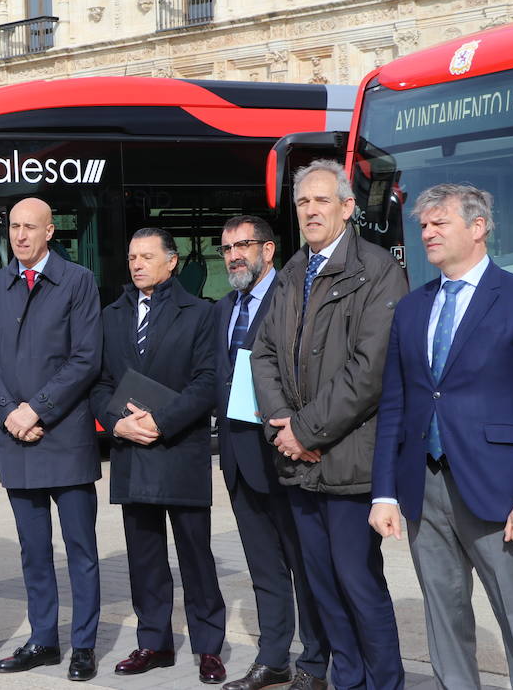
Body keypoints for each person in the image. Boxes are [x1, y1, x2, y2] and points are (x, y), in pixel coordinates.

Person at [371, 184, 513, 690]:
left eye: (440, 223)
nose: (427, 233)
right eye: (423, 225)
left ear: (478, 227)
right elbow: (394, 405)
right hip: (424, 488)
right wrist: (384, 492)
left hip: (500, 492)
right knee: (443, 617)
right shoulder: (412, 308)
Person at [252, 160, 407, 690]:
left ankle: (384, 683)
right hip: (299, 463)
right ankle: (349, 680)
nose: (311, 210)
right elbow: (263, 355)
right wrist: (284, 428)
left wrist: (305, 431)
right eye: (303, 202)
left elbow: (370, 371)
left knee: (357, 583)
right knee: (321, 585)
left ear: (347, 207)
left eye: (322, 200)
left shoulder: (377, 269)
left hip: (349, 460)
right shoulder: (292, 272)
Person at [0, 197, 102, 682]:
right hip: (17, 438)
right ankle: (44, 639)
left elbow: (86, 358)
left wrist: (36, 409)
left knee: (80, 549)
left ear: (50, 231)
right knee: (33, 550)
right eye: (14, 227)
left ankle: (83, 645)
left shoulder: (78, 281)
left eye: (30, 227)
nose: (20, 235)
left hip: (64, 435)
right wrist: (10, 413)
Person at [91, 228, 225, 684]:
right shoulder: (111, 315)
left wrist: (161, 421)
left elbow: (208, 382)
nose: (137, 264)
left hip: (180, 448)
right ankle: (154, 643)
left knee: (196, 556)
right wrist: (116, 423)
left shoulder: (200, 313)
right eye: (132, 256)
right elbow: (100, 383)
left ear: (172, 261)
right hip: (131, 451)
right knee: (144, 558)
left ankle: (208, 647)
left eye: (147, 256)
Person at [214, 216, 329, 690]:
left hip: (284, 453)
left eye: (243, 245)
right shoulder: (224, 307)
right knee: (264, 569)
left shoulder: (294, 295)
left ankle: (316, 662)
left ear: (268, 250)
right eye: (226, 248)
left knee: (305, 566)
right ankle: (273, 658)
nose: (234, 255)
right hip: (239, 459)